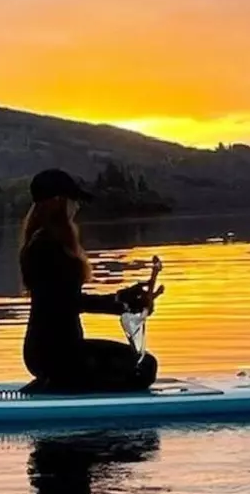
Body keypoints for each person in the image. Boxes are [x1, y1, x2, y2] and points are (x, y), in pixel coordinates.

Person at [18, 168, 160, 394]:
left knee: (141, 363)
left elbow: (67, 299)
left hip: (58, 350)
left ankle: (57, 384)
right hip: (54, 354)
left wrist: (124, 299)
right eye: (73, 201)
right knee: (142, 368)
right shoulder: (45, 246)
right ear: (58, 202)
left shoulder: (48, 243)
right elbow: (68, 302)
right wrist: (120, 303)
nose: (77, 207)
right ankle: (56, 386)